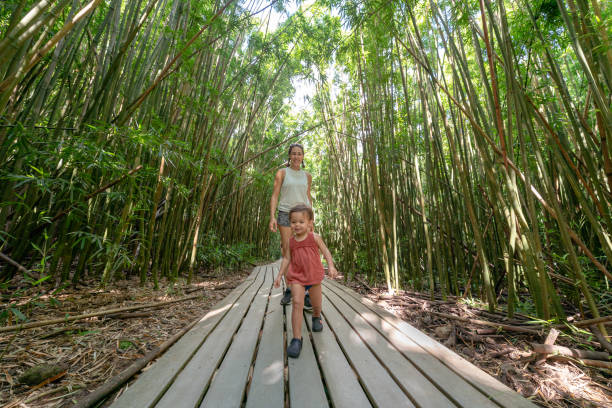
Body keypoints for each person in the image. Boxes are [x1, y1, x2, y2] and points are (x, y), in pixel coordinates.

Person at [274, 204, 338, 358]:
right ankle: (297, 339)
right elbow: (287, 258)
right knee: (297, 303)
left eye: (301, 222)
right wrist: (279, 275)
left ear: (310, 223)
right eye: (293, 222)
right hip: (297, 277)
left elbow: (326, 251)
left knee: (316, 303)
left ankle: (316, 316)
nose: (297, 225)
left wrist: (330, 266)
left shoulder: (314, 237)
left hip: (314, 276)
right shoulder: (291, 241)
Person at [269, 143, 314, 308]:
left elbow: (308, 197)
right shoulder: (282, 173)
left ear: (303, 157)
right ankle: (289, 289)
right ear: (289, 156)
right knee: (288, 251)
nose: (296, 156)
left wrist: (311, 219)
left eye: (299, 153)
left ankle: (306, 291)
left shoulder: (307, 176)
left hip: (303, 216)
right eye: (293, 153)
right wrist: (272, 217)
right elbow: (274, 196)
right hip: (285, 214)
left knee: (304, 253)